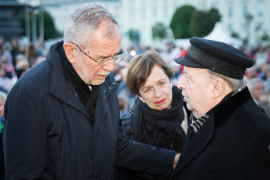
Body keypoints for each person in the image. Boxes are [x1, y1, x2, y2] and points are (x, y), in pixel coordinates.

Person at [3, 3, 179, 180]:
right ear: (71, 51)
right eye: (102, 58)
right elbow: (24, 174)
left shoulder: (106, 81)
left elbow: (115, 147)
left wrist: (171, 160)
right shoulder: (28, 93)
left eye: (116, 56)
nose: (111, 67)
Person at [171, 37, 270, 180]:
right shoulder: (207, 114)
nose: (180, 84)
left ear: (217, 87)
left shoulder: (254, 135)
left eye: (188, 78)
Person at [115, 51, 188, 180]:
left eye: (161, 83)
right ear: (139, 95)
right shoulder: (125, 130)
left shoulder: (193, 109)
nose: (158, 93)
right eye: (148, 89)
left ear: (170, 80)